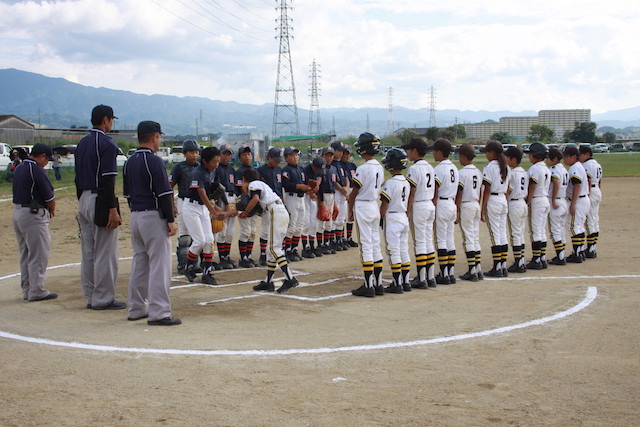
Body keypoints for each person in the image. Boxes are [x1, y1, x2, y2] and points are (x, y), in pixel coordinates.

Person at [123, 121, 181, 326]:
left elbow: (127, 194)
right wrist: (170, 220)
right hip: (153, 216)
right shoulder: (154, 161)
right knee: (159, 265)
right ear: (155, 137)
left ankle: (137, 308)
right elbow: (164, 194)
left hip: (136, 215)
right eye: (159, 137)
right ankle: (159, 312)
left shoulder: (129, 161)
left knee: (140, 263)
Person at [75, 104, 125, 310]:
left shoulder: (82, 143)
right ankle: (103, 298)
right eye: (111, 119)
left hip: (84, 198)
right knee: (105, 251)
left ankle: (90, 296)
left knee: (88, 251)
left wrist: (82, 203)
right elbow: (107, 181)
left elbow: (78, 179)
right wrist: (112, 208)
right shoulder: (107, 144)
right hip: (100, 199)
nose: (111, 123)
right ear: (105, 119)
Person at [241, 169, 299, 293]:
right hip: (278, 211)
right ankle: (268, 282)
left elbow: (255, 199)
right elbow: (260, 209)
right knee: (270, 250)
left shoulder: (253, 184)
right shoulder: (264, 187)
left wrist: (245, 211)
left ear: (245, 180)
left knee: (274, 248)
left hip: (275, 212)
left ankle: (290, 278)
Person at [12, 143, 57, 301]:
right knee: (38, 253)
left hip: (19, 211)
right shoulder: (35, 169)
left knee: (26, 253)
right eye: (46, 159)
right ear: (42, 156)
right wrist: (51, 209)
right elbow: (49, 196)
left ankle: (27, 289)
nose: (46, 163)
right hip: (33, 213)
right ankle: (36, 290)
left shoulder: (20, 167)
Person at [182, 146, 228, 284]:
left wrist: (214, 206)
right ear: (205, 161)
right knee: (200, 241)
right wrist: (213, 211)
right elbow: (201, 193)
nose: (216, 164)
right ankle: (188, 267)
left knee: (209, 240)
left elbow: (209, 193)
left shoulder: (211, 171)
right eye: (214, 161)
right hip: (191, 208)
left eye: (218, 161)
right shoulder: (198, 172)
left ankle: (207, 273)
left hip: (202, 208)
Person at [348, 132, 385, 297]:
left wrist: (349, 209)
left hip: (363, 206)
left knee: (366, 245)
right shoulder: (380, 167)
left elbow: (354, 192)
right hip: (374, 206)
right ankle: (378, 283)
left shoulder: (363, 168)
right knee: (375, 243)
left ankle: (369, 285)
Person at [402, 137, 436, 288]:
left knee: (420, 242)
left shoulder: (414, 169)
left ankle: (421, 278)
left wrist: (407, 210)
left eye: (409, 150)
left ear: (415, 151)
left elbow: (412, 192)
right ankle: (430, 276)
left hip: (420, 205)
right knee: (428, 240)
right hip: (429, 204)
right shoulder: (430, 166)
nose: (408, 153)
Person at [379, 148, 412, 293]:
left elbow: (385, 203)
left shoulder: (391, 183)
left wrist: (380, 217)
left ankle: (397, 283)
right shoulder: (406, 181)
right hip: (403, 216)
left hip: (392, 217)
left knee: (393, 251)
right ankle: (405, 281)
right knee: (403, 249)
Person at [168, 139, 200, 274]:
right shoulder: (179, 168)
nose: (194, 155)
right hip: (183, 201)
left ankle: (194, 263)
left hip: (197, 203)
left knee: (196, 234)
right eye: (191, 152)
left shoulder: (200, 167)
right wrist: (172, 205)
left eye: (196, 152)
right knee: (184, 234)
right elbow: (169, 187)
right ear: (184, 153)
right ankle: (182, 263)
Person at [481, 140, 511, 277]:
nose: (486, 155)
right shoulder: (506, 166)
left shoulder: (490, 167)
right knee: (501, 233)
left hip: (493, 199)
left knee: (495, 235)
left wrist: (483, 208)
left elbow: (487, 189)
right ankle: (503, 266)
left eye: (487, 152)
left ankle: (497, 267)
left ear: (492, 152)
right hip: (502, 199)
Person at [455, 143, 483, 282]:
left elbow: (459, 193)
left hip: (466, 205)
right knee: (475, 236)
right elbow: (481, 191)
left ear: (464, 157)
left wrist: (457, 208)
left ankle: (472, 270)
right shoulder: (478, 171)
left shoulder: (462, 173)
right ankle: (477, 269)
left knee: (468, 238)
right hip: (475, 203)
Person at [433, 138, 459, 285]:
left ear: (440, 152)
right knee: (450, 239)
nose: (434, 154)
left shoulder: (439, 168)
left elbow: (435, 190)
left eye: (435, 151)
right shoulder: (454, 167)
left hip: (442, 203)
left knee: (441, 240)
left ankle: (443, 274)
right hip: (451, 203)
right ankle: (450, 273)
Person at [525, 142, 551, 270]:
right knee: (541, 230)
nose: (529, 156)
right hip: (545, 199)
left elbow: (532, 186)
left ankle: (536, 260)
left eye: (530, 154)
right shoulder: (545, 168)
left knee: (535, 230)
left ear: (536, 155)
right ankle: (542, 258)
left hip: (537, 200)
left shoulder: (535, 168)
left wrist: (528, 201)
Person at [257, 147, 284, 266]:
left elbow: (280, 186)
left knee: (278, 229)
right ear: (269, 157)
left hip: (277, 201)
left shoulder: (279, 170)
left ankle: (275, 253)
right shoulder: (261, 170)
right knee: (266, 230)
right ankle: (263, 254)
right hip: (266, 203)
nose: (278, 162)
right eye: (275, 159)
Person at [281, 146, 309, 262]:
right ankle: (286, 251)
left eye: (296, 155)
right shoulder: (286, 170)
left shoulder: (301, 169)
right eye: (292, 155)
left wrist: (310, 188)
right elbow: (286, 184)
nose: (295, 157)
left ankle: (294, 249)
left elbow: (306, 183)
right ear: (286, 158)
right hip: (291, 197)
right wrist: (300, 186)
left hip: (301, 198)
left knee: (299, 226)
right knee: (291, 226)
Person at [563, 146, 590, 263]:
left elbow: (577, 185)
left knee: (574, 227)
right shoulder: (579, 166)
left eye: (566, 157)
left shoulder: (575, 168)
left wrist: (573, 203)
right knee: (579, 226)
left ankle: (577, 253)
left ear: (573, 157)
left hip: (578, 200)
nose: (564, 160)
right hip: (583, 199)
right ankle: (579, 252)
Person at [504, 146, 528, 273]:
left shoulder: (512, 173)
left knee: (515, 234)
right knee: (520, 233)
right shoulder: (524, 172)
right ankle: (521, 260)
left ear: (513, 159)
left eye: (507, 157)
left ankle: (518, 262)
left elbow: (509, 190)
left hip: (514, 204)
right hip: (523, 203)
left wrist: (504, 199)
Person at [234, 145, 258, 268]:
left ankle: (248, 256)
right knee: (246, 231)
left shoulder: (254, 170)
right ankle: (243, 258)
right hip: (243, 203)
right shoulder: (238, 172)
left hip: (253, 204)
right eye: (244, 154)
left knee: (253, 232)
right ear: (239, 158)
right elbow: (242, 189)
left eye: (249, 154)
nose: (247, 156)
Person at [215, 144, 238, 269]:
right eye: (224, 153)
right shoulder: (217, 169)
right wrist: (226, 203)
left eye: (229, 154)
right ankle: (222, 258)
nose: (226, 156)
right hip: (222, 199)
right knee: (222, 230)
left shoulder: (231, 170)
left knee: (230, 231)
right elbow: (219, 188)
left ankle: (227, 256)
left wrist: (236, 203)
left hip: (232, 198)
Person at [546, 148, 569, 265]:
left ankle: (560, 257)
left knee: (555, 230)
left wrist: (553, 199)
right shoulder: (564, 169)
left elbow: (555, 182)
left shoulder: (554, 170)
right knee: (561, 229)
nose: (546, 161)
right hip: (563, 201)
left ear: (554, 159)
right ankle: (561, 254)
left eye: (548, 158)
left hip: (555, 201)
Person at [579, 145, 603, 258]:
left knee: (589, 220)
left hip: (591, 191)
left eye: (581, 154)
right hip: (596, 189)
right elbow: (599, 181)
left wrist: (587, 194)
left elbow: (587, 180)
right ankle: (592, 247)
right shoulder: (597, 164)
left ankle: (591, 248)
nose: (579, 157)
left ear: (587, 154)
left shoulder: (587, 165)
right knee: (594, 219)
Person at [301, 157, 325, 258]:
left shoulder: (319, 172)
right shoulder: (305, 171)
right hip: (304, 197)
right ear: (313, 166)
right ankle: (305, 248)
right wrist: (309, 192)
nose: (319, 172)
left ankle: (311, 246)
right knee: (306, 222)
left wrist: (322, 202)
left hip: (314, 198)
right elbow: (302, 186)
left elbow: (321, 187)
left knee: (314, 222)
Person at [330, 141, 351, 251]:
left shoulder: (340, 164)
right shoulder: (331, 163)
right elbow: (333, 181)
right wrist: (342, 189)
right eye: (339, 151)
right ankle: (332, 241)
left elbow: (346, 177)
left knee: (342, 217)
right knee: (335, 217)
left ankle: (339, 240)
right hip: (336, 192)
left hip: (343, 192)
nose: (341, 153)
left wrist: (346, 187)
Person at [340, 145, 359, 247]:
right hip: (342, 190)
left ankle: (349, 237)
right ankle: (342, 238)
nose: (345, 155)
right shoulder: (338, 165)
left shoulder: (352, 166)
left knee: (350, 215)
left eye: (347, 153)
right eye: (343, 153)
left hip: (352, 190)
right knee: (342, 215)